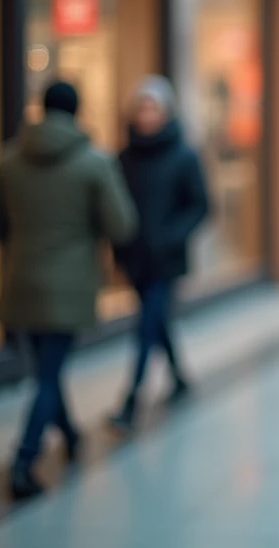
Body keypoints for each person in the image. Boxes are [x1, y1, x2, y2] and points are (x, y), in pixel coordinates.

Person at [0, 81, 137, 499]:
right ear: (77, 110)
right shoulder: (94, 161)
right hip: (69, 287)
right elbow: (121, 224)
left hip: (20, 282)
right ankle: (23, 461)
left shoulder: (9, 159)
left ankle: (69, 434)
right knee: (49, 374)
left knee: (48, 369)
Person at [110, 76, 209, 430]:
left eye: (153, 107)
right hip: (135, 257)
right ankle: (179, 378)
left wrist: (171, 236)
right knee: (156, 322)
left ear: (166, 113)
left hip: (166, 259)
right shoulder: (123, 157)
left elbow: (200, 205)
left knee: (145, 326)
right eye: (141, 107)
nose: (146, 114)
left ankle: (131, 400)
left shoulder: (184, 155)